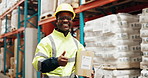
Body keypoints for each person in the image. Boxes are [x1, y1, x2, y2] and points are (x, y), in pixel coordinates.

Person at [32, 3, 85, 78]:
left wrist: (90, 70)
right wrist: (56, 62)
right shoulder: (46, 41)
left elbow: (84, 60)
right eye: (62, 18)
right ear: (56, 21)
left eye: (69, 18)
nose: (65, 20)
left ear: (72, 21)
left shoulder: (76, 43)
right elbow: (38, 65)